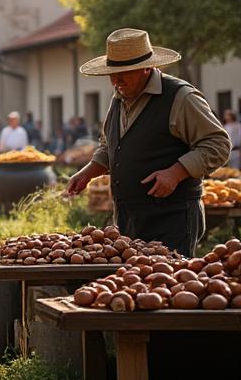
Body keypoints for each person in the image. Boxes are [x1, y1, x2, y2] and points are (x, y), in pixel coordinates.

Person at [66, 29, 229, 255]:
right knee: (134, 277)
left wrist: (176, 172)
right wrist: (88, 172)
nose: (115, 81)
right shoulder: (119, 98)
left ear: (146, 67)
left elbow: (218, 144)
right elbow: (111, 146)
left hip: (172, 218)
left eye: (123, 73)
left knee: (169, 277)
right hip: (128, 218)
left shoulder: (181, 97)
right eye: (112, 74)